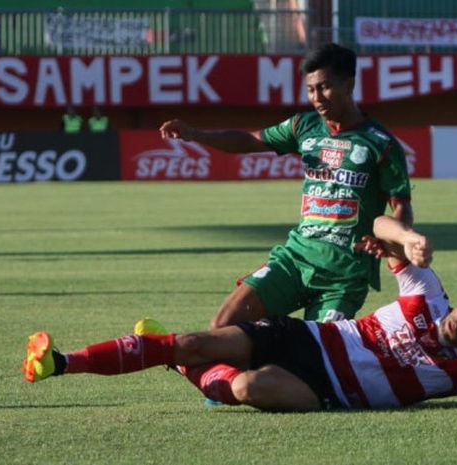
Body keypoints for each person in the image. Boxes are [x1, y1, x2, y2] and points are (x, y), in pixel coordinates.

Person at [21, 216, 457, 413]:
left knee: (244, 384)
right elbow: (381, 229)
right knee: (187, 341)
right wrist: (407, 236)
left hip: (322, 387)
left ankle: (181, 364)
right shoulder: (427, 293)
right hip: (302, 334)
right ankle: (60, 363)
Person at [159, 43, 413, 329]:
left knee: (316, 358)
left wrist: (390, 242)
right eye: (311, 89)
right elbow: (250, 140)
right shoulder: (303, 126)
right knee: (224, 325)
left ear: (349, 84)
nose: (317, 98)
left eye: (325, 87)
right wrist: (195, 134)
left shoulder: (380, 143)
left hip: (344, 276)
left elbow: (401, 205)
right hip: (296, 259)